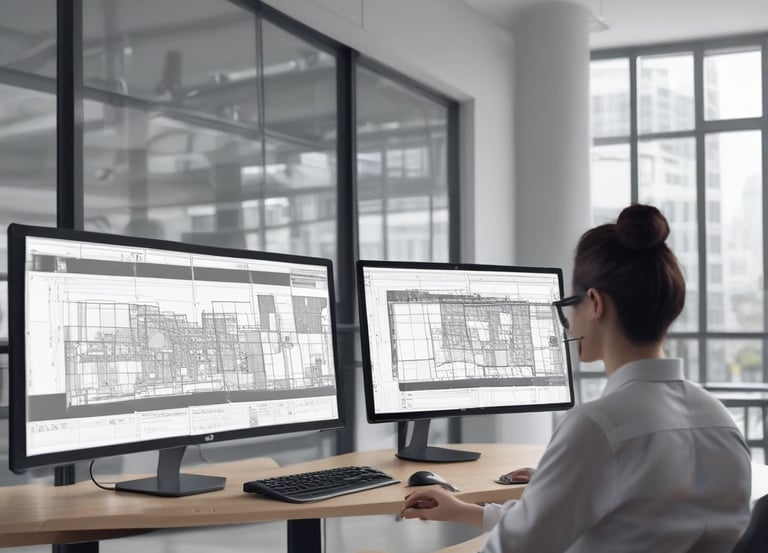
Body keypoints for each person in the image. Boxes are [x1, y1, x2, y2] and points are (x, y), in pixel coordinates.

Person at [400, 204, 752, 552]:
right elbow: (620, 521)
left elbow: (514, 549)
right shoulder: (720, 420)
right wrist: (468, 512)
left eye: (571, 303)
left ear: (595, 303)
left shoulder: (596, 427)